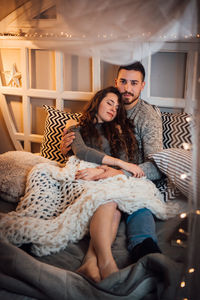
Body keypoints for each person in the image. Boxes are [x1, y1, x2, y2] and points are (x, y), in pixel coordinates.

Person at [61, 61, 163, 280]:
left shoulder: (147, 117)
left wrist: (116, 172)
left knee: (139, 201)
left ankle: (145, 250)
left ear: (142, 85)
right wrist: (66, 149)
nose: (127, 88)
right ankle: (94, 262)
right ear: (116, 82)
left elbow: (156, 166)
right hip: (100, 174)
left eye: (134, 83)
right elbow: (85, 144)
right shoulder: (105, 112)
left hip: (132, 176)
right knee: (112, 203)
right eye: (123, 81)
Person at [66, 86, 146, 282]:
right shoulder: (76, 126)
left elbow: (124, 161)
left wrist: (102, 171)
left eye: (117, 107)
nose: (113, 108)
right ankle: (106, 262)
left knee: (116, 207)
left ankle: (90, 262)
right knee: (109, 200)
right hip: (81, 174)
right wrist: (118, 163)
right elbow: (82, 152)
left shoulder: (116, 130)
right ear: (97, 102)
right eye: (109, 102)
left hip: (103, 176)